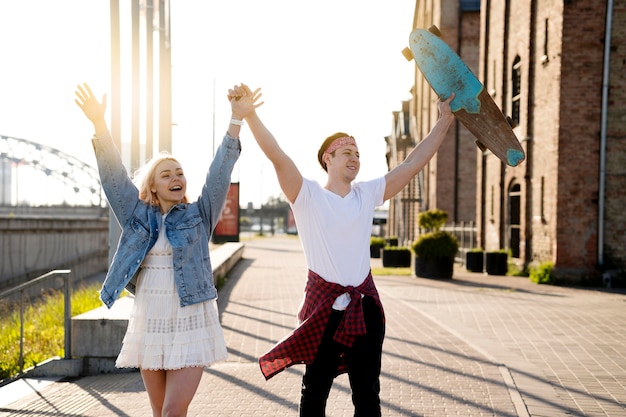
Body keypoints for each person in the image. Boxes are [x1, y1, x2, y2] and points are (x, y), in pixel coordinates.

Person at [229, 84, 455, 416]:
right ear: (328, 159)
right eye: (346, 151)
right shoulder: (306, 195)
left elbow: (411, 165)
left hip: (366, 308)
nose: (355, 157)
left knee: (367, 395)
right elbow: (277, 154)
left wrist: (444, 120)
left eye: (358, 153)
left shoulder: (366, 194)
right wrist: (250, 115)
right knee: (314, 393)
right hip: (323, 309)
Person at [74, 83, 259, 417]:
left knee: (173, 411)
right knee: (160, 413)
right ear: (153, 187)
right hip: (150, 318)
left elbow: (219, 173)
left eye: (180, 173)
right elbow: (113, 177)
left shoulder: (199, 216)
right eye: (166, 174)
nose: (177, 178)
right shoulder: (136, 215)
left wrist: (235, 120)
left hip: (191, 318)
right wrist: (100, 125)